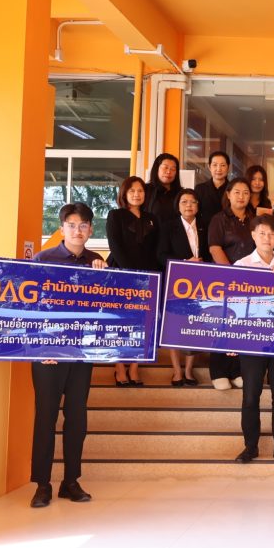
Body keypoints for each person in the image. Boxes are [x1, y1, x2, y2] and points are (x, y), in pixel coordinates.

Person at [29, 203, 107, 508]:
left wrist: (104, 276)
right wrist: (39, 348)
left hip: (81, 353)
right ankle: (42, 484)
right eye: (72, 225)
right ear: (62, 229)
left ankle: (70, 481)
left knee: (77, 418)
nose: (78, 230)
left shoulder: (96, 261)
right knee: (45, 418)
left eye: (83, 225)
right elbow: (29, 308)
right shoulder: (43, 259)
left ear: (90, 230)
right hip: (47, 354)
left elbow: (105, 307)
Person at [229, 213, 274, 464]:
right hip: (251, 341)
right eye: (262, 233)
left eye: (272, 234)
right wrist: (231, 339)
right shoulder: (241, 265)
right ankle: (250, 447)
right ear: (253, 235)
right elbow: (234, 304)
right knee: (251, 396)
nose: (267, 238)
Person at [106, 175, 159, 387]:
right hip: (121, 274)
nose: (137, 194)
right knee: (120, 321)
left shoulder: (151, 218)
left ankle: (135, 366)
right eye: (132, 191)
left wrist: (149, 276)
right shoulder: (115, 215)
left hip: (148, 276)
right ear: (124, 194)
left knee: (143, 322)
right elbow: (115, 246)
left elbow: (155, 250)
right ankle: (119, 367)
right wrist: (131, 274)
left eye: (140, 191)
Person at [206, 178, 254, 390]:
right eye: (237, 192)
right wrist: (231, 274)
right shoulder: (219, 219)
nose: (241, 196)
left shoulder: (254, 219)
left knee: (243, 325)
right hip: (225, 279)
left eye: (246, 192)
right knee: (222, 323)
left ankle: (237, 371)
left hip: (250, 282)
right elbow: (214, 248)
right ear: (228, 194)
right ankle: (219, 372)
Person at [157, 188, 208, 386]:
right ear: (177, 205)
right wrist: (185, 262)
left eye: (193, 202)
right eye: (184, 202)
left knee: (194, 325)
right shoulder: (168, 226)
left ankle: (188, 370)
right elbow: (161, 255)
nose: (189, 205)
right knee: (175, 325)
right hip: (176, 282)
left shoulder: (204, 225)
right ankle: (177, 370)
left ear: (198, 206)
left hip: (200, 284)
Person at [195, 150, 231, 232]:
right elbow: (196, 213)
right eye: (215, 165)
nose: (219, 169)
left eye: (223, 165)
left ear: (228, 167)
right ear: (209, 167)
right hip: (205, 232)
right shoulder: (200, 189)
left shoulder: (233, 189)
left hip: (228, 232)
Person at [143, 152, 181, 225]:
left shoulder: (181, 193)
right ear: (157, 169)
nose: (169, 172)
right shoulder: (145, 190)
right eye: (165, 167)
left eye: (173, 169)